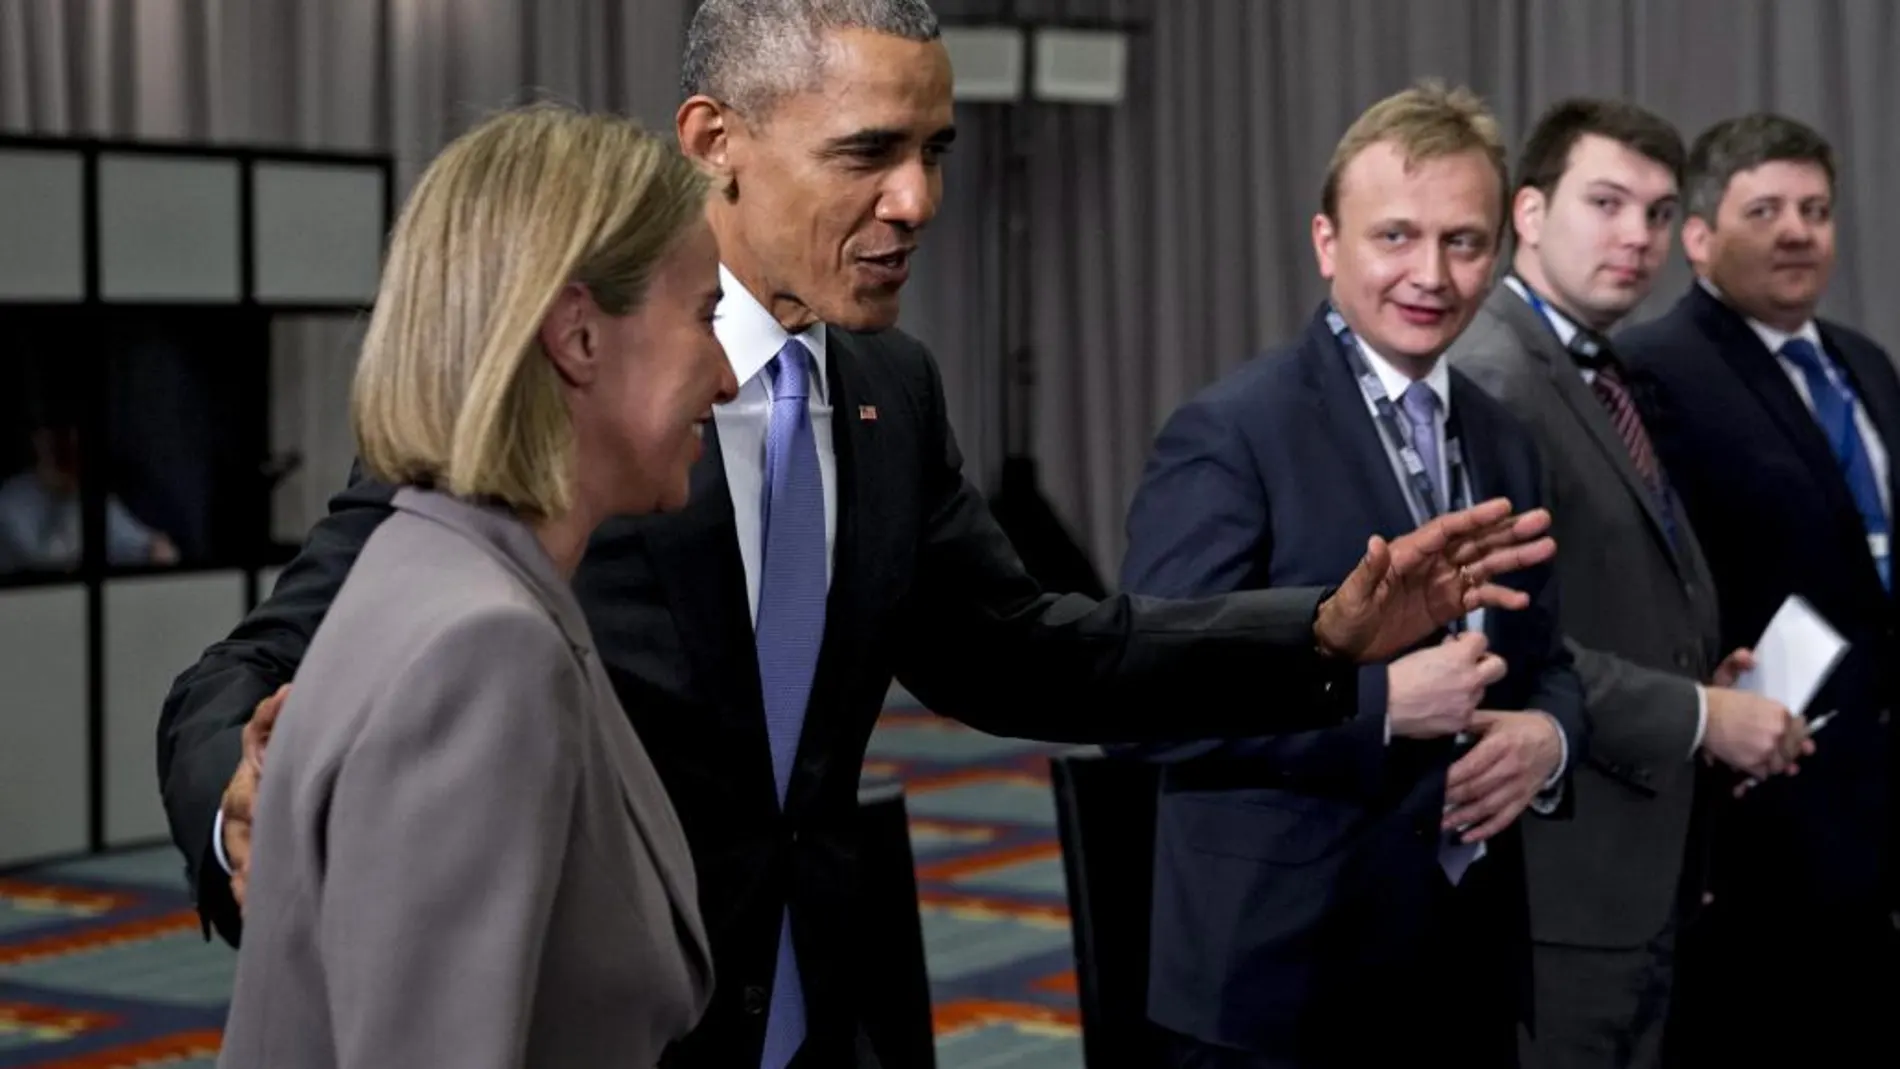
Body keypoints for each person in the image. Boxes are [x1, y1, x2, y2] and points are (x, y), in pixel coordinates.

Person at [158, 4, 1556, 1066]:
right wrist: (241, 799)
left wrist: (1317, 634)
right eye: (869, 154)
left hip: (834, 1006)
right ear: (717, 143)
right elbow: (282, 651)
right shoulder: (557, 393)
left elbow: (1028, 656)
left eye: (934, 153)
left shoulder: (889, 385)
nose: (919, 203)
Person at [214, 106, 731, 1069]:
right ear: (578, 336)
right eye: (704, 316)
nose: (730, 374)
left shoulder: (434, 571)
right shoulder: (483, 648)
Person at [1118, 81, 1585, 1069]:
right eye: (1395, 237)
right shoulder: (1231, 434)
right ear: (1328, 243)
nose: (1431, 273)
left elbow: (1544, 656)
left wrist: (1549, 735)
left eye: (1463, 242)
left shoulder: (1506, 441)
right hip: (1279, 983)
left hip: (1461, 968)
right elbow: (1144, 705)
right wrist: (1374, 702)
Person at [1443, 98, 1809, 1069]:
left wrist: (1701, 668)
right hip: (1554, 882)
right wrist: (1698, 714)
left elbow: (1607, 581)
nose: (1637, 237)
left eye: (1654, 213)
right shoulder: (1493, 374)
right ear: (1526, 213)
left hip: (1631, 870)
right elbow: (1498, 648)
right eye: (1605, 203)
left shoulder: (1592, 367)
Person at [1615, 112, 1899, 1068]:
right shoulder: (1651, 371)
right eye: (1766, 209)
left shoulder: (1866, 363)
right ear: (1698, 238)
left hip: (1875, 805)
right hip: (1761, 811)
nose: (1796, 232)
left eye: (1815, 210)